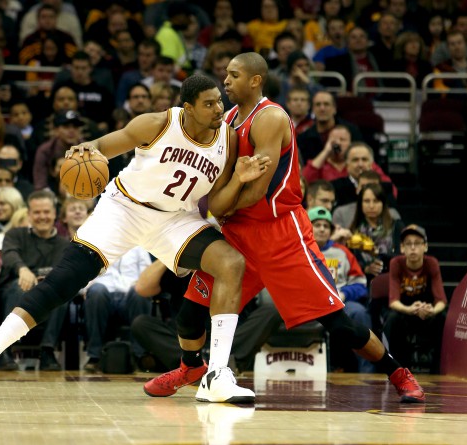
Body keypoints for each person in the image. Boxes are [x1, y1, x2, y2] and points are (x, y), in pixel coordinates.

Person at [0, 75, 271, 402]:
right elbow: (102, 146)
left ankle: (216, 376)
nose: (219, 109)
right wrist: (85, 150)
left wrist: (239, 180)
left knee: (231, 263)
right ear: (188, 108)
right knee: (62, 283)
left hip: (175, 219)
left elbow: (216, 203)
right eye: (209, 103)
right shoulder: (157, 124)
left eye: (219, 101)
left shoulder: (228, 140)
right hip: (125, 209)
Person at [146, 53, 425, 404]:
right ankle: (191, 367)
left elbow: (255, 192)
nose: (226, 81)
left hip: (281, 234)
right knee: (190, 313)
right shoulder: (228, 119)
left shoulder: (271, 117)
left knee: (340, 325)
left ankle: (398, 373)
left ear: (255, 80)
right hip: (238, 232)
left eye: (234, 75)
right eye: (226, 74)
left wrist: (218, 206)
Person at [132, 260, 281, 374]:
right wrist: (170, 255)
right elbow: (142, 288)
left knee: (272, 311)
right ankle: (192, 364)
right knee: (141, 324)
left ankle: (223, 362)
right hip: (185, 339)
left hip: (231, 337)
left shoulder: (236, 259)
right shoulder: (182, 265)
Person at [0, 190, 71, 371]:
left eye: (46, 212)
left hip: (49, 293)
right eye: (37, 212)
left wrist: (46, 280)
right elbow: (9, 254)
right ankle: (4, 350)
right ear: (29, 214)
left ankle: (47, 351)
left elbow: (67, 272)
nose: (42, 216)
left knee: (62, 292)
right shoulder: (15, 234)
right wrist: (22, 269)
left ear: (55, 214)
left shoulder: (65, 244)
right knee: (20, 286)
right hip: (15, 289)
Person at [309, 206, 375, 373]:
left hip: (340, 301)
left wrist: (345, 293)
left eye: (326, 226)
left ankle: (367, 370)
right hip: (310, 304)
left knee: (360, 313)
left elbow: (360, 283)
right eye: (317, 225)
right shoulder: (301, 251)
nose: (322, 229)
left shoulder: (342, 252)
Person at [385, 225, 447, 374]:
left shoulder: (431, 263)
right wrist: (410, 309)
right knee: (392, 319)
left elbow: (441, 301)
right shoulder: (396, 263)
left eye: (417, 243)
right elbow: (393, 301)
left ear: (425, 246)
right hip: (405, 311)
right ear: (402, 248)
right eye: (408, 244)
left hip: (426, 312)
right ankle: (399, 369)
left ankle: (438, 369)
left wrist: (432, 310)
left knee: (443, 318)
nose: (413, 248)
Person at [83, 246, 153, 372]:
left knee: (139, 292)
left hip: (129, 297)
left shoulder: (139, 246)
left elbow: (147, 276)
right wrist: (88, 289)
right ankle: (95, 356)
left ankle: (139, 355)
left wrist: (139, 285)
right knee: (96, 291)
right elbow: (85, 273)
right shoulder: (96, 244)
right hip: (103, 295)